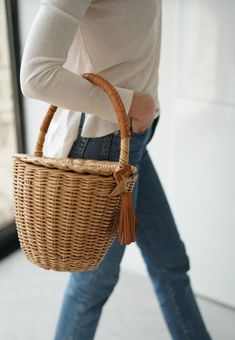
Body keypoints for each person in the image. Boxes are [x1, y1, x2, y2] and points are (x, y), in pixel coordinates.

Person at [20, 1, 212, 339]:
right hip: (103, 145)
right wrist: (131, 102)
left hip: (129, 141)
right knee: (93, 283)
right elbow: (35, 75)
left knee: (171, 263)